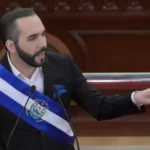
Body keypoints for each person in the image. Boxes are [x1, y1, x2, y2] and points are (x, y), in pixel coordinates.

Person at [0, 7, 149, 150]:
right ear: (11, 46)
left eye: (43, 34)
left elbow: (99, 107)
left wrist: (138, 98)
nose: (42, 43)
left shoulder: (63, 65)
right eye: (32, 38)